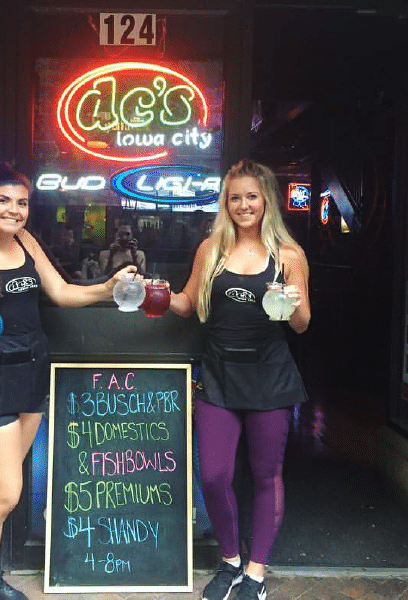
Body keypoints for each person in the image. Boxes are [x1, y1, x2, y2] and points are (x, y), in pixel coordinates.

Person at [0, 162, 135, 600]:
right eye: (4, 200)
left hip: (30, 370)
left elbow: (61, 293)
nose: (14, 210)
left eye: (22, 203)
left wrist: (106, 287)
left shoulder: (26, 243)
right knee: (4, 493)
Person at [169, 159, 310, 600]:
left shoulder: (288, 255)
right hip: (219, 375)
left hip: (270, 376)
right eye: (235, 197)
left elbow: (303, 324)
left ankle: (256, 574)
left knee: (267, 475)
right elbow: (187, 303)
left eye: (252, 196)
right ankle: (230, 561)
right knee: (213, 475)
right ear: (225, 203)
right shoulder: (210, 248)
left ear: (265, 199)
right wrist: (150, 294)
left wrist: (294, 300)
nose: (244, 205)